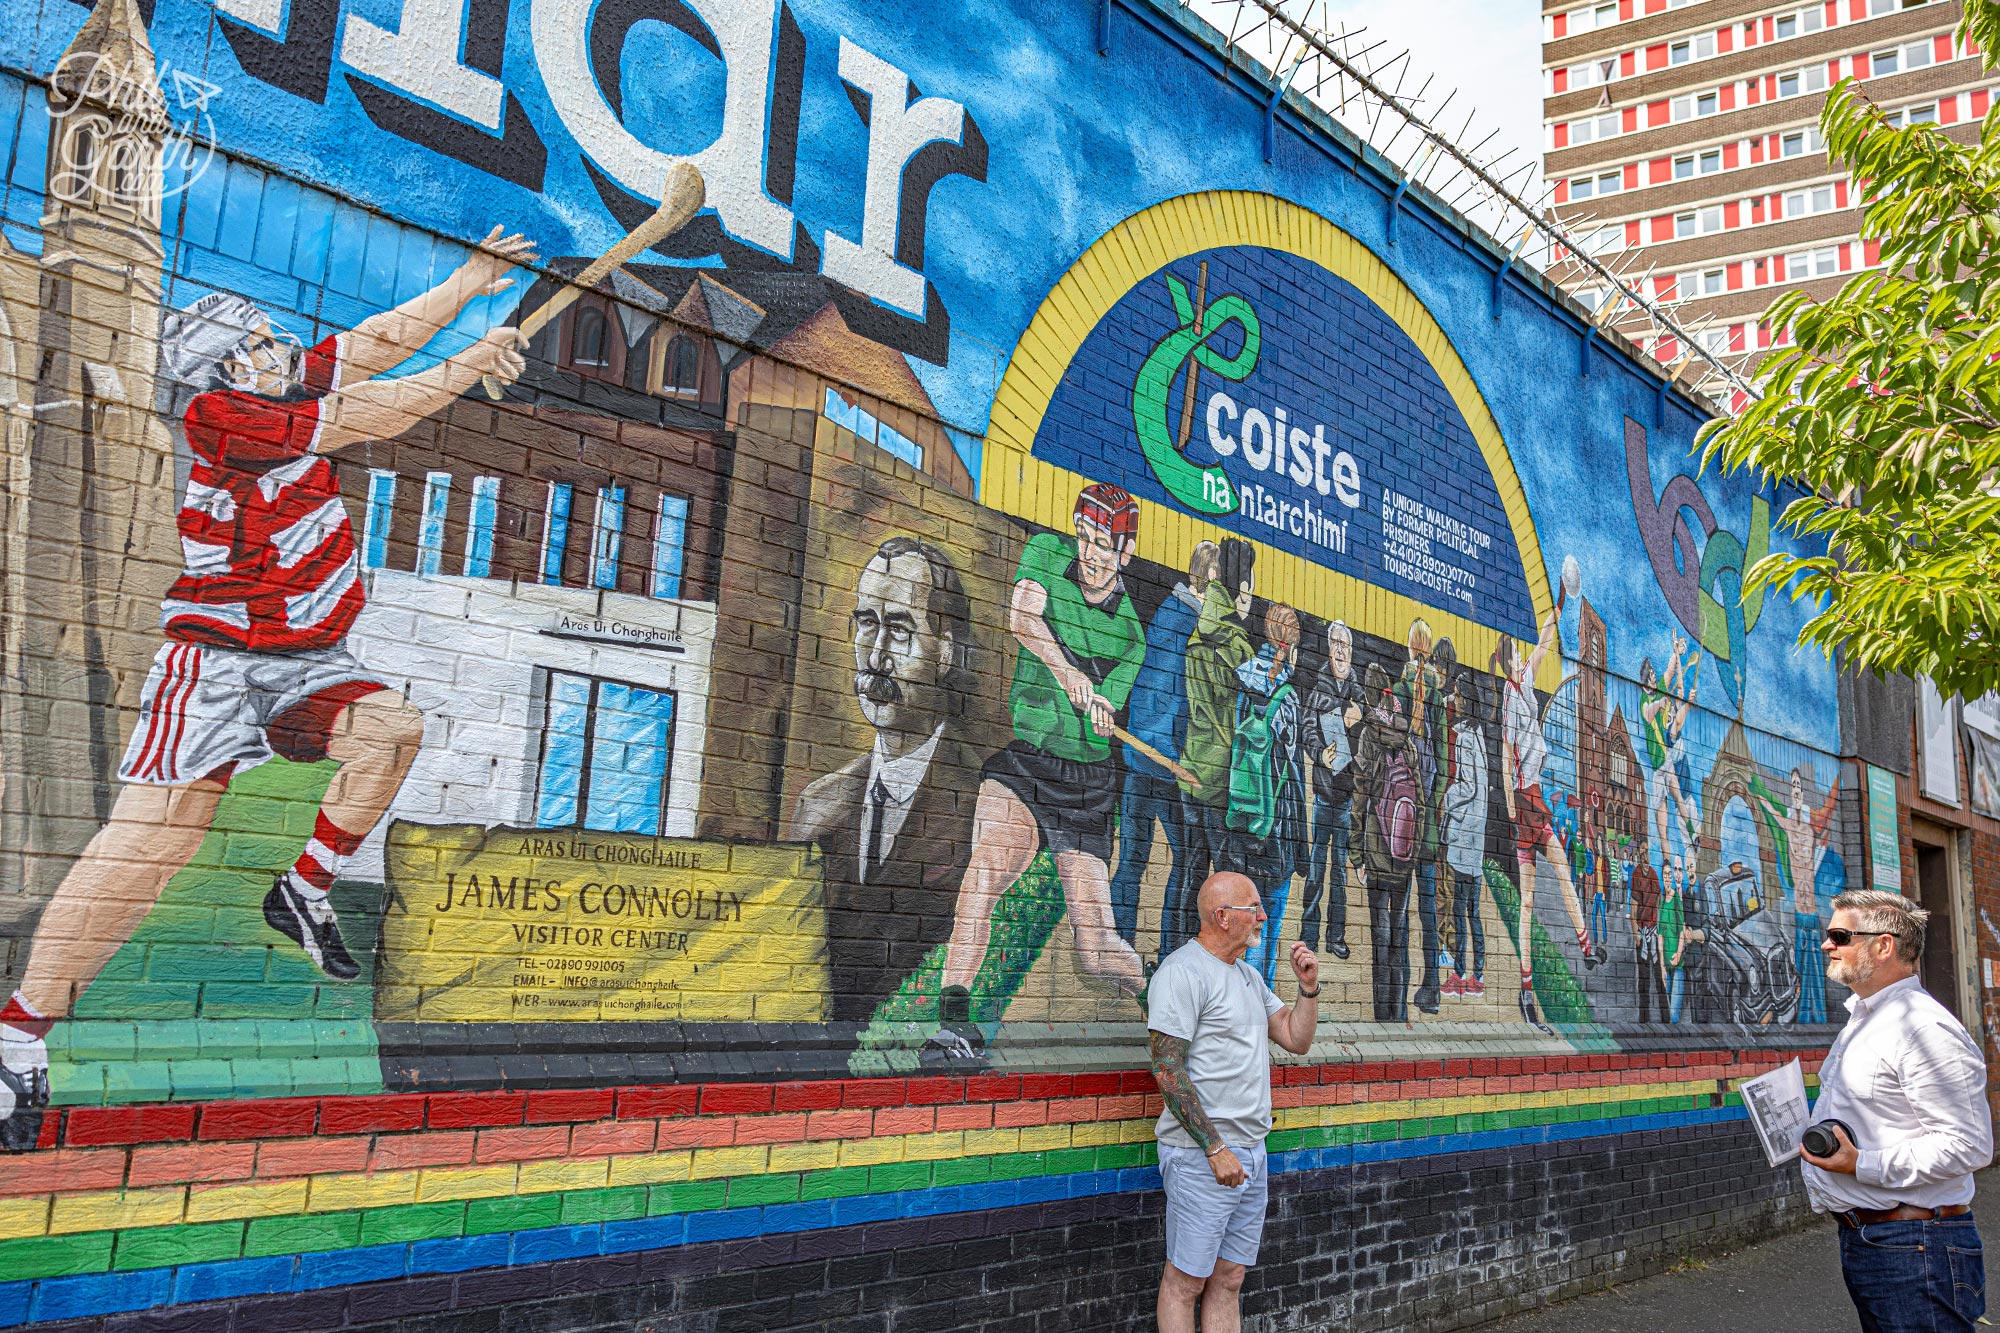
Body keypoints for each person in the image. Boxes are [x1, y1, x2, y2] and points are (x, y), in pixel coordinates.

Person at [0, 235, 537, 1150]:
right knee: (152, 847)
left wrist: (468, 284)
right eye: (253, 344)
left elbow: (368, 345)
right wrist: (465, 366)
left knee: (391, 729)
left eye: (270, 336)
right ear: (219, 372)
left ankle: (304, 885)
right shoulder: (224, 418)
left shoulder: (284, 387)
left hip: (308, 655)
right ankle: (18, 1034)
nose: (276, 349)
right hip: (217, 660)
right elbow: (379, 406)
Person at [935, 485, 1149, 1049]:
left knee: (1097, 950)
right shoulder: (1046, 555)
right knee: (984, 873)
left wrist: (1103, 710)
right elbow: (1022, 619)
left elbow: (1111, 705)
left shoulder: (1131, 635)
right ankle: (953, 1019)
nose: (1089, 552)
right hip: (1027, 764)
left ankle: (1155, 989)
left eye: (1103, 544)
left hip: (1087, 784)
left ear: (1125, 552)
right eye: (1085, 537)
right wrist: (1067, 672)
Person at [786, 536, 983, 1023]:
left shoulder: (987, 810)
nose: (875, 656)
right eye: (867, 624)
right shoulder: (818, 806)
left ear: (946, 653)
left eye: (898, 631)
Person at [1800, 890, 1992, 1333]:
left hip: (1915, 1246)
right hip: (1881, 1242)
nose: (1827, 945)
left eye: (1840, 935)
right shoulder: (1868, 1018)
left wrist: (1861, 1164)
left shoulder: (1923, 1028)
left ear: (1883, 945)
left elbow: (1968, 1145)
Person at [1148, 872, 1319, 1333]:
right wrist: (1214, 1148)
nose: (1263, 915)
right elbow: (1168, 1070)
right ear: (1222, 917)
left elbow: (1294, 1038)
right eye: (1253, 908)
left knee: (1229, 1278)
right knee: (1185, 1281)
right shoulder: (1181, 973)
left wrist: (1307, 989)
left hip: (1251, 1152)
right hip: (1201, 1158)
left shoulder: (1246, 976)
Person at [1110, 541, 1218, 958]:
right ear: (1207, 581)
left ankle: (1119, 946)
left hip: (1143, 756)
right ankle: (1171, 953)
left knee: (1134, 859)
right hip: (1166, 763)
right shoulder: (1186, 624)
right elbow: (1172, 695)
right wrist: (1175, 756)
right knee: (1187, 859)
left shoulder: (1166, 615)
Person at [1498, 610, 1598, 1036]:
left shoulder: (1527, 685)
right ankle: (1525, 985)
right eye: (1517, 655)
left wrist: (1553, 617)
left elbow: (1542, 644)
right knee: (1527, 900)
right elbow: (1505, 762)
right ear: (1509, 662)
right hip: (1524, 804)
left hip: (1538, 801)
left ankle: (1586, 946)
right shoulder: (1509, 697)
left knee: (1564, 874)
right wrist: (1509, 812)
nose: (1525, 658)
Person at [1225, 604, 1305, 985]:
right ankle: (1257, 1016)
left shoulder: (1242, 681)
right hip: (1275, 828)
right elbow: (1293, 775)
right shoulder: (1287, 698)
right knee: (1266, 931)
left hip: (1242, 819)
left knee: (1240, 927)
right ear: (1291, 646)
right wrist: (1302, 851)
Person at [1178, 539, 1257, 890]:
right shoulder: (1239, 647)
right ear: (1241, 589)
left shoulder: (1197, 633)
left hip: (1193, 768)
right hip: (1222, 784)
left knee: (1189, 877)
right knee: (1230, 885)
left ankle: (1178, 946)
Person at [1354, 663, 1419, 1023]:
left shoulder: (1368, 736)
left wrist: (1355, 853)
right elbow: (1420, 797)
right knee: (1401, 933)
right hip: (1403, 857)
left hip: (1377, 856)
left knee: (1380, 937)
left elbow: (1360, 797)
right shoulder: (1406, 739)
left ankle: (1383, 1016)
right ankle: (1400, 1011)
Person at [1298, 620, 1362, 961]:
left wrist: (1362, 715)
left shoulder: (1359, 691)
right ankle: (1308, 935)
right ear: (1328, 647)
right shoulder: (1320, 687)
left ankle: (1335, 936)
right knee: (1316, 867)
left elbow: (1374, 731)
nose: (1340, 650)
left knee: (1340, 871)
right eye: (1335, 643)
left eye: (1345, 645)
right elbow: (1307, 727)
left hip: (1348, 796)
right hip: (1324, 794)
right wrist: (1320, 753)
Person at [1440, 672, 1489, 999]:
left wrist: (1447, 799)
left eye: (1457, 694)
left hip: (1464, 838)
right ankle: (1477, 975)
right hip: (1475, 839)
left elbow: (1469, 786)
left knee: (1462, 910)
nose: (1453, 698)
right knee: (1471, 912)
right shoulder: (1477, 734)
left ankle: (1461, 974)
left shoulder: (1468, 738)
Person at [1640, 637, 1701, 855]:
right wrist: (1660, 703)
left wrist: (1676, 652)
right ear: (1645, 682)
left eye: (1655, 677)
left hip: (1665, 760)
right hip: (1656, 769)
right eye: (1652, 678)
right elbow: (1648, 715)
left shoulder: (1661, 690)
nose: (1655, 681)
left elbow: (1671, 670)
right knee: (1661, 818)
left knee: (1678, 797)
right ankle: (1666, 857)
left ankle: (1694, 834)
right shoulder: (1645, 701)